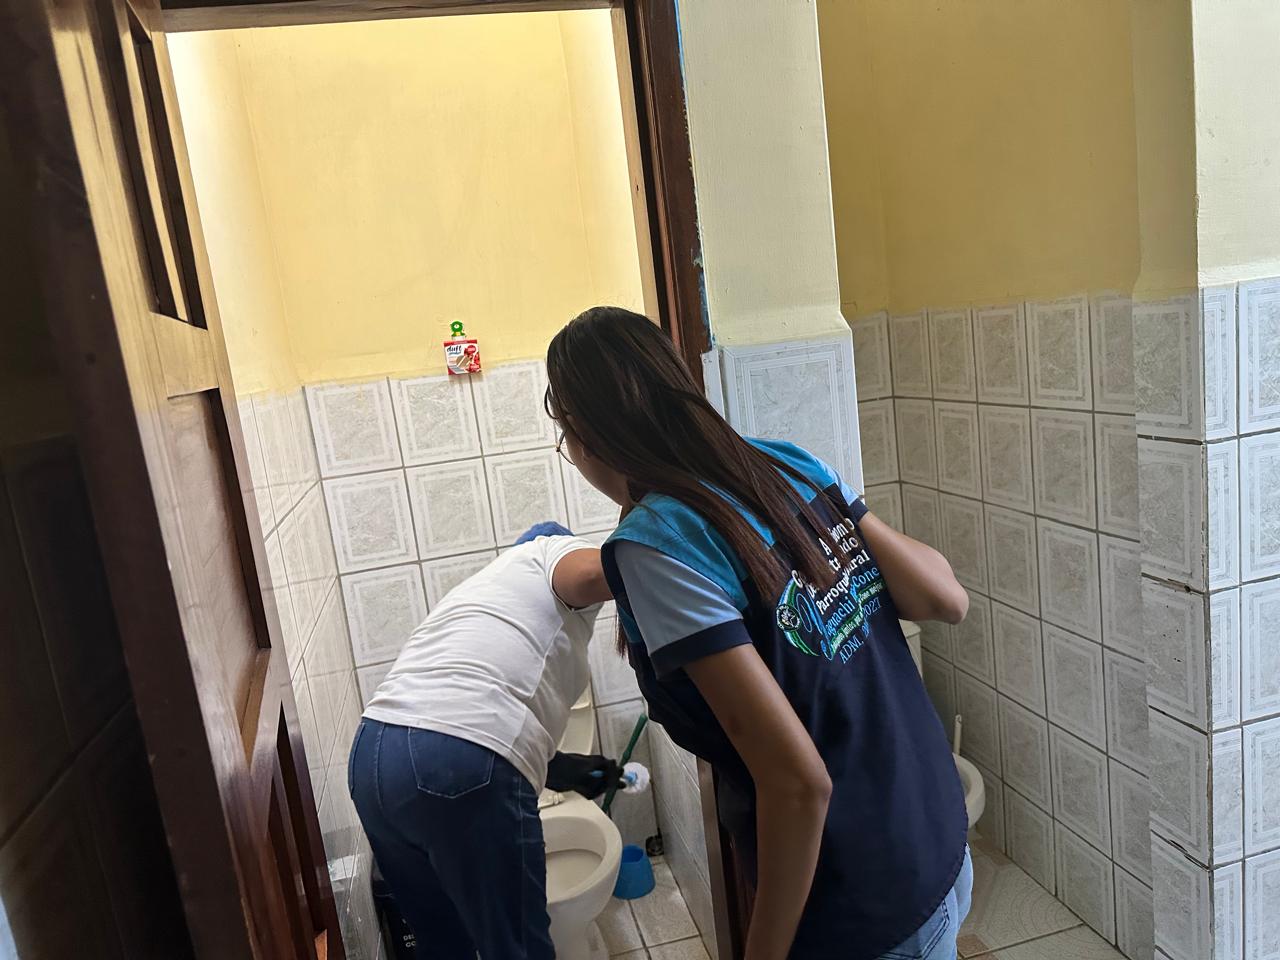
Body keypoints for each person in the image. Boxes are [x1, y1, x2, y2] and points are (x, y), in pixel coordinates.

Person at [544, 307, 973, 960]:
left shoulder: (656, 545)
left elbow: (799, 784)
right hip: (936, 835)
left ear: (582, 432)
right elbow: (946, 598)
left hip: (860, 894)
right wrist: (835, 517)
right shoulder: (787, 464)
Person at [347, 522, 622, 959]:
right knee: (518, 950)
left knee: (442, 944)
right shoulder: (546, 551)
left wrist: (569, 771)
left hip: (373, 757)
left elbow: (458, 717)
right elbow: (592, 573)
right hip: (462, 759)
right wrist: (661, 551)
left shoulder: (480, 596)